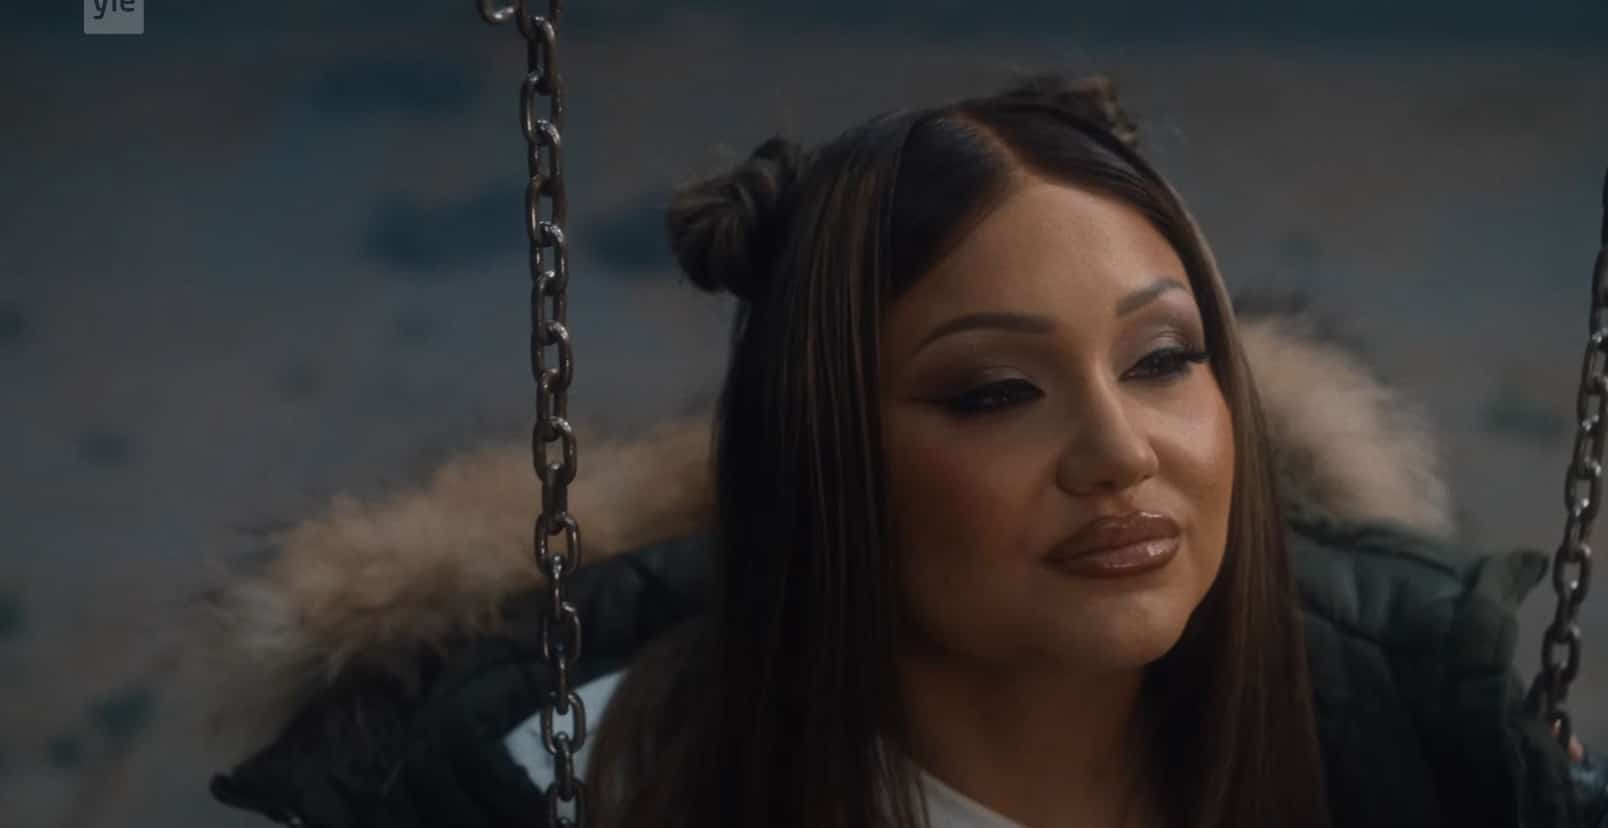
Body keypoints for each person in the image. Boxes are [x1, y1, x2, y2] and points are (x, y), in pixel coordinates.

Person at [195, 74, 1608, 827]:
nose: (1117, 454)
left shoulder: (1414, 728)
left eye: (1163, 361)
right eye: (995, 393)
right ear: (827, 460)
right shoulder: (588, 774)